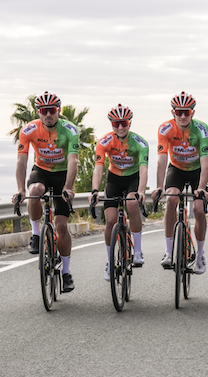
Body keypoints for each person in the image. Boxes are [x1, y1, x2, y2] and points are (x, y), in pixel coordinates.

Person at [12, 91, 79, 292]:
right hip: (41, 171)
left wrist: (68, 187)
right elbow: (22, 161)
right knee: (34, 191)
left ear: (58, 110)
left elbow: (73, 161)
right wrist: (21, 189)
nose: (48, 114)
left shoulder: (70, 130)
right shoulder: (29, 129)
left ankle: (66, 272)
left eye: (52, 110)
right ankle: (36, 235)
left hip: (62, 175)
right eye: (44, 111)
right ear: (38, 112)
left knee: (61, 226)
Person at [151, 91, 208, 274]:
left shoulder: (201, 129)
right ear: (173, 113)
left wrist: (202, 188)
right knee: (171, 200)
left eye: (187, 112)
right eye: (179, 112)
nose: (183, 116)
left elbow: (206, 162)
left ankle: (200, 254)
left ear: (192, 112)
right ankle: (168, 251)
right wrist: (159, 186)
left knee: (198, 209)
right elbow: (162, 160)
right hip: (176, 169)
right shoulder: (165, 129)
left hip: (197, 171)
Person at [90, 104, 149, 281]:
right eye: (116, 124)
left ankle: (137, 251)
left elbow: (144, 169)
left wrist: (141, 191)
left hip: (133, 179)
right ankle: (110, 261)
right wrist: (95, 190)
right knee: (110, 221)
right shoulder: (104, 142)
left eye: (124, 123)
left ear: (130, 123)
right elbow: (98, 168)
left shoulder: (140, 143)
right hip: (114, 179)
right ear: (112, 124)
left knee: (132, 203)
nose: (121, 127)